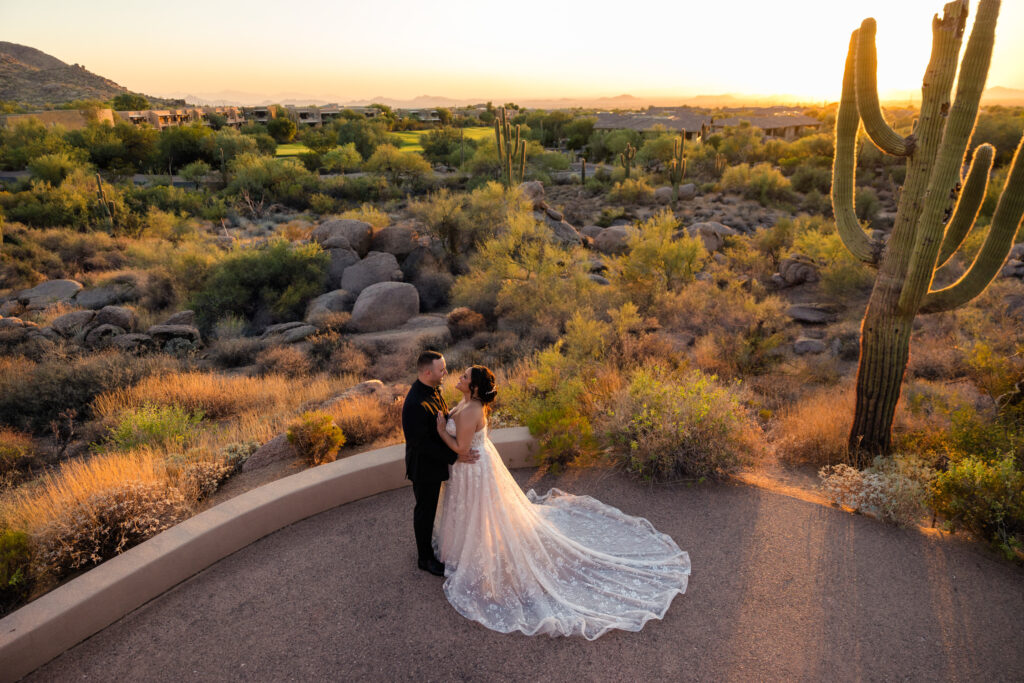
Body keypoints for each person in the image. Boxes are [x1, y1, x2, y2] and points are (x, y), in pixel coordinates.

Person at [433, 365, 691, 639]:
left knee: (480, 512)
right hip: (475, 466)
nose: (459, 378)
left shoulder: (472, 409)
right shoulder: (467, 403)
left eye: (464, 377)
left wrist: (440, 430)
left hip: (473, 470)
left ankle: (480, 554)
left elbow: (461, 448)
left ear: (474, 387)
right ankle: (469, 548)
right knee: (478, 513)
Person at [401, 350, 479, 577]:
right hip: (424, 468)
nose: (445, 372)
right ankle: (424, 559)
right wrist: (454, 456)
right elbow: (420, 444)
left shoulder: (434, 389)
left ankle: (429, 549)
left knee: (431, 510)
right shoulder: (414, 403)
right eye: (441, 369)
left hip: (436, 464)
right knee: (425, 511)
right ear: (427, 372)